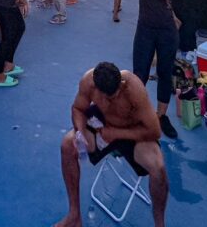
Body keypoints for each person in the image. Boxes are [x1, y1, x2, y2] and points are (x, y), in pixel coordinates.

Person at [54, 62, 169, 227]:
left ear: (121, 84)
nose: (111, 100)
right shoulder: (88, 81)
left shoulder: (133, 88)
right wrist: (79, 132)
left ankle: (160, 225)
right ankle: (74, 216)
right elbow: (78, 109)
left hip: (133, 131)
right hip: (102, 125)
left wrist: (116, 133)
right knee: (67, 144)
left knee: (158, 167)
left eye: (115, 96)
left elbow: (155, 131)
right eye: (107, 98)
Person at [108, 0, 187, 139]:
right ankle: (136, 112)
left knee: (165, 73)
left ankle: (161, 116)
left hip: (167, 30)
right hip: (145, 29)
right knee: (139, 74)